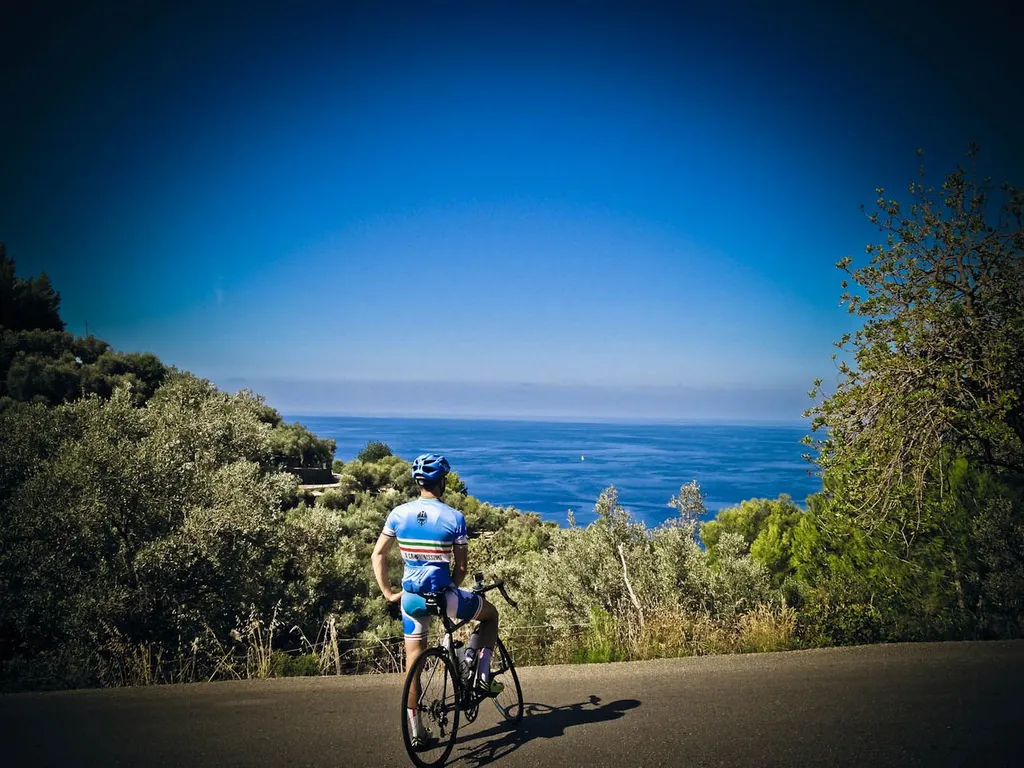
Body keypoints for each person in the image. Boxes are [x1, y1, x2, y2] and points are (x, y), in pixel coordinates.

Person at [371, 453, 502, 750]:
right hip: (443, 597)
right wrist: (451, 588)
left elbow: (378, 554)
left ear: (418, 482)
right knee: (490, 615)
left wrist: (389, 593)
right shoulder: (454, 517)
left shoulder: (398, 514)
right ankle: (480, 672)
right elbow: (462, 568)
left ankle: (417, 731)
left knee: (414, 662)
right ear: (441, 482)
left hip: (411, 599)